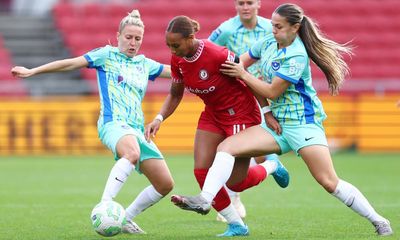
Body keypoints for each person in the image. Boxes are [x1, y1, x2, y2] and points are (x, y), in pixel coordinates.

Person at [171, 3, 393, 237]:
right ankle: (205, 200)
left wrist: (244, 76)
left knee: (328, 182)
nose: (273, 30)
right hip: (275, 125)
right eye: (273, 25)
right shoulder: (268, 41)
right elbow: (238, 62)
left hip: (303, 124)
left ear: (295, 27)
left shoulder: (297, 54)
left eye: (278, 26)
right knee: (226, 147)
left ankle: (379, 220)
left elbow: (271, 91)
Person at [11, 10, 174, 235]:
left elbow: (178, 72)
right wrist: (33, 71)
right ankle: (105, 205)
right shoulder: (105, 55)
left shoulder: (145, 64)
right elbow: (69, 63)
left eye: (137, 39)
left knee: (165, 184)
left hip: (136, 129)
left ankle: (125, 218)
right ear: (118, 35)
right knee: (132, 153)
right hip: (113, 124)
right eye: (128, 37)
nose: (133, 43)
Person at [145, 15, 289, 237]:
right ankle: (236, 224)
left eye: (176, 45)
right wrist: (159, 118)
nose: (172, 51)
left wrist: (266, 112)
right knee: (201, 170)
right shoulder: (179, 59)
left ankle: (271, 166)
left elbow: (247, 78)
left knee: (235, 183)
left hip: (240, 114)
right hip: (213, 113)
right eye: (169, 46)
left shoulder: (217, 54)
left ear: (191, 38)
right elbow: (175, 94)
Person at [208, 0, 281, 222]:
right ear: (235, 5)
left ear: (258, 4)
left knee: (244, 147)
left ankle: (266, 166)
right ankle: (238, 192)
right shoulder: (226, 29)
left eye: (250, 2)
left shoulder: (272, 27)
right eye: (241, 3)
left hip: (266, 90)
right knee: (238, 145)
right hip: (239, 95)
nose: (245, 7)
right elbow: (207, 51)